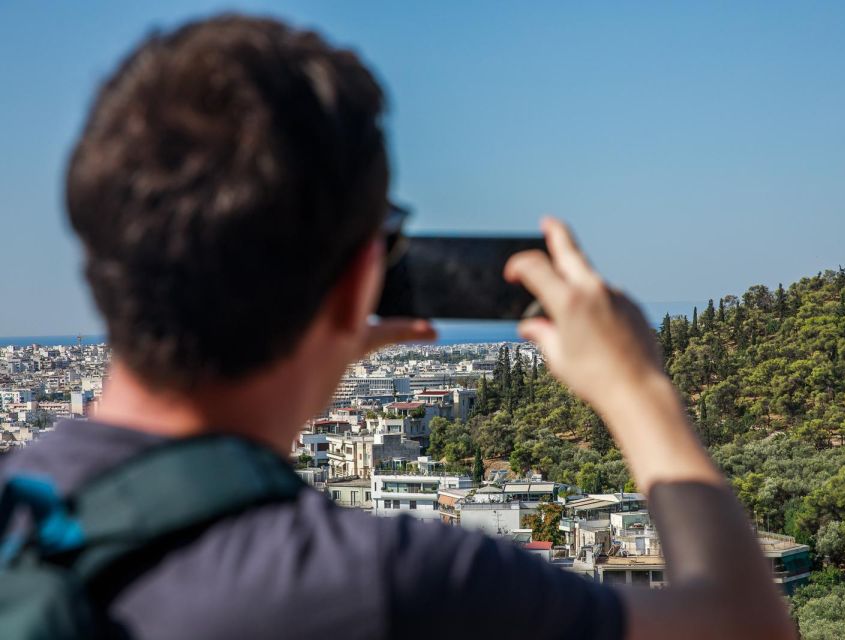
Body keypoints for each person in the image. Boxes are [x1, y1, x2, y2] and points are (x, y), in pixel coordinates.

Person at [0, 15, 795, 640]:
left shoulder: (18, 512)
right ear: (359, 282)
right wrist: (637, 389)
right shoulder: (376, 584)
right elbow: (745, 628)